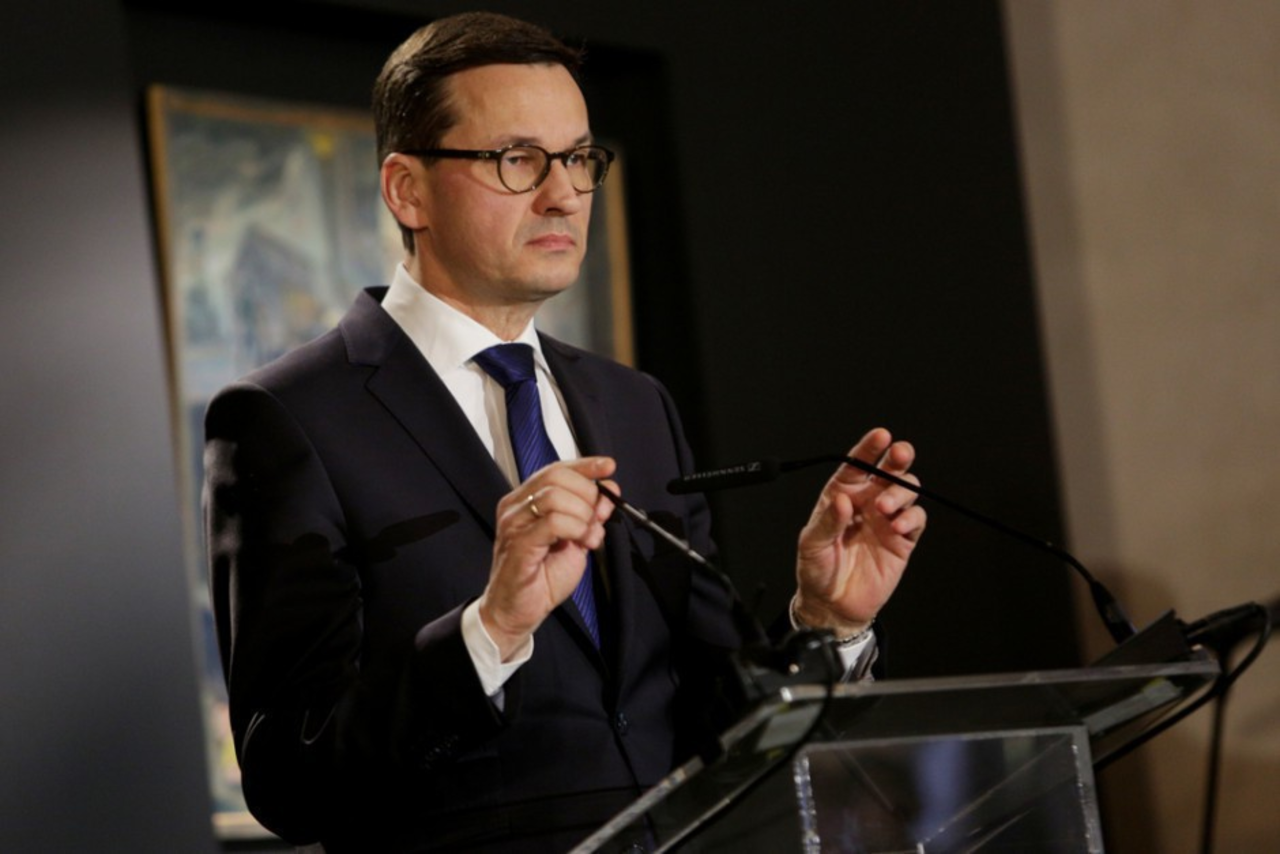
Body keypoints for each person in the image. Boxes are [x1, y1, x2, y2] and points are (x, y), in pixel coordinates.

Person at [204, 11, 926, 853]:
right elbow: (290, 779)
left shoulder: (635, 405)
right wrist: (492, 628)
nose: (563, 194)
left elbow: (715, 724)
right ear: (407, 190)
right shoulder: (290, 418)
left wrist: (826, 623)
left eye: (579, 159)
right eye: (517, 160)